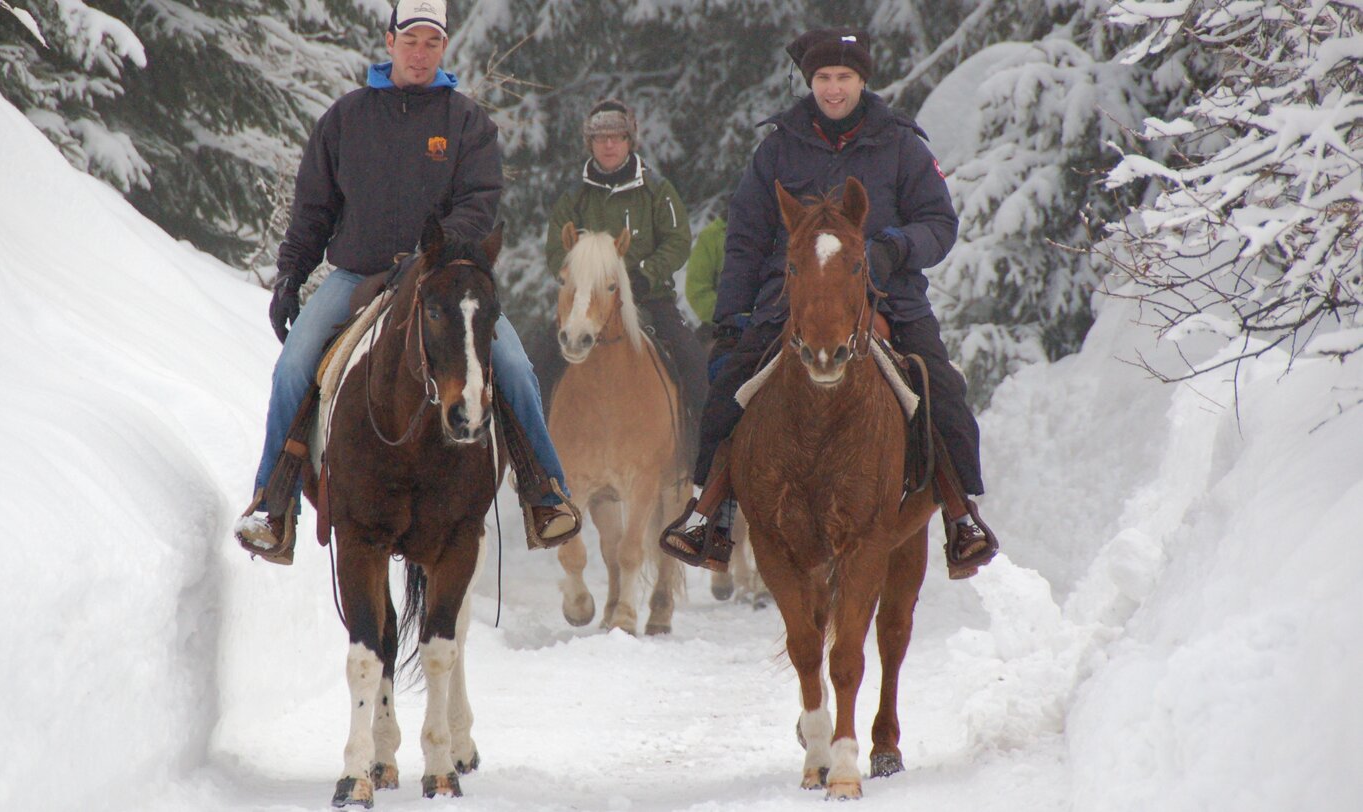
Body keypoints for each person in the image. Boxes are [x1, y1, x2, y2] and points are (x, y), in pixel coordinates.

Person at [234, 0, 577, 565]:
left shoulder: (467, 122)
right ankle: (274, 507)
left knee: (514, 367)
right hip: (356, 275)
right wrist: (291, 274)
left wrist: (428, 256)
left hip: (441, 279)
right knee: (294, 366)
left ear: (445, 47)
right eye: (411, 41)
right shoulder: (345, 118)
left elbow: (480, 202)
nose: (420, 54)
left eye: (432, 43)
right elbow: (314, 208)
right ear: (389, 42)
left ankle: (545, 493)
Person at [660, 27, 999, 579]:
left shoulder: (902, 145)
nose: (833, 88)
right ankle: (710, 512)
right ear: (809, 81)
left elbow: (939, 222)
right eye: (823, 77)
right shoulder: (778, 147)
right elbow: (746, 233)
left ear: (862, 81)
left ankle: (961, 516)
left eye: (844, 77)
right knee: (729, 385)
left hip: (888, 295)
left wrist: (894, 247)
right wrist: (733, 316)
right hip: (791, 297)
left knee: (941, 388)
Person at [539, 99, 708, 438]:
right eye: (600, 138)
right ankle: (535, 450)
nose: (609, 145)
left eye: (617, 137)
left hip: (650, 299)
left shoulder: (657, 191)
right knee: (538, 361)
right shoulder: (574, 197)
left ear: (630, 141)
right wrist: (581, 277)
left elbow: (678, 241)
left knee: (691, 359)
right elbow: (557, 249)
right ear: (590, 143)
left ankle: (700, 447)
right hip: (586, 303)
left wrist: (645, 276)